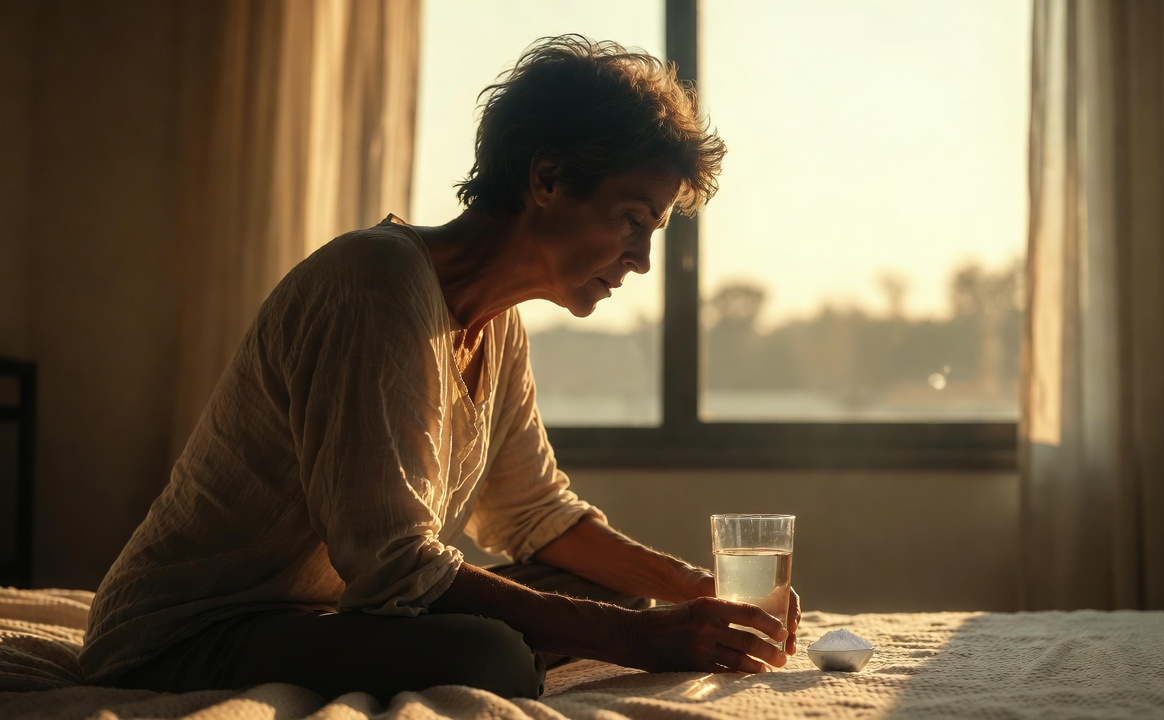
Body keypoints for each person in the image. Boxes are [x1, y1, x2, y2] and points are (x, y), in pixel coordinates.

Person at [80, 35, 800, 702]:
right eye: (633, 220)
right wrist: (642, 643)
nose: (642, 260)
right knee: (493, 658)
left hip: (334, 613)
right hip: (190, 637)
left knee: (613, 594)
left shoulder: (499, 323)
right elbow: (392, 564)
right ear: (547, 177)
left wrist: (695, 592)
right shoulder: (375, 284)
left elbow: (534, 516)